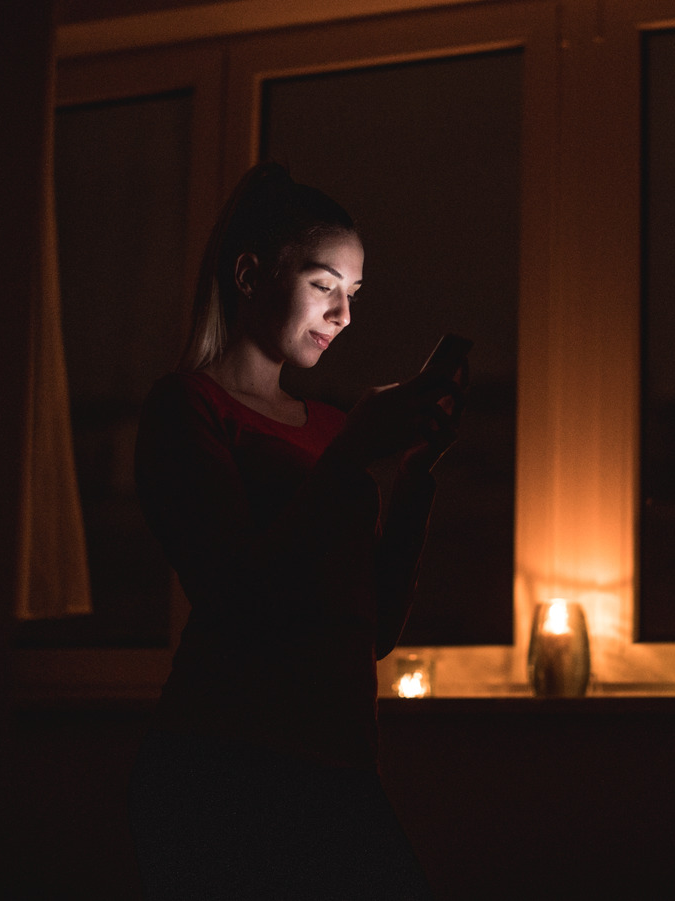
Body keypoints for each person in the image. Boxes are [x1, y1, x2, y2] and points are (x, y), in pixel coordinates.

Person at [128, 163, 461, 899]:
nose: (344, 314)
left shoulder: (331, 428)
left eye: (354, 293)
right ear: (249, 275)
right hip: (226, 763)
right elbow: (236, 595)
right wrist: (348, 461)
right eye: (323, 285)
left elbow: (366, 629)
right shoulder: (188, 409)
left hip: (338, 763)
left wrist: (412, 476)